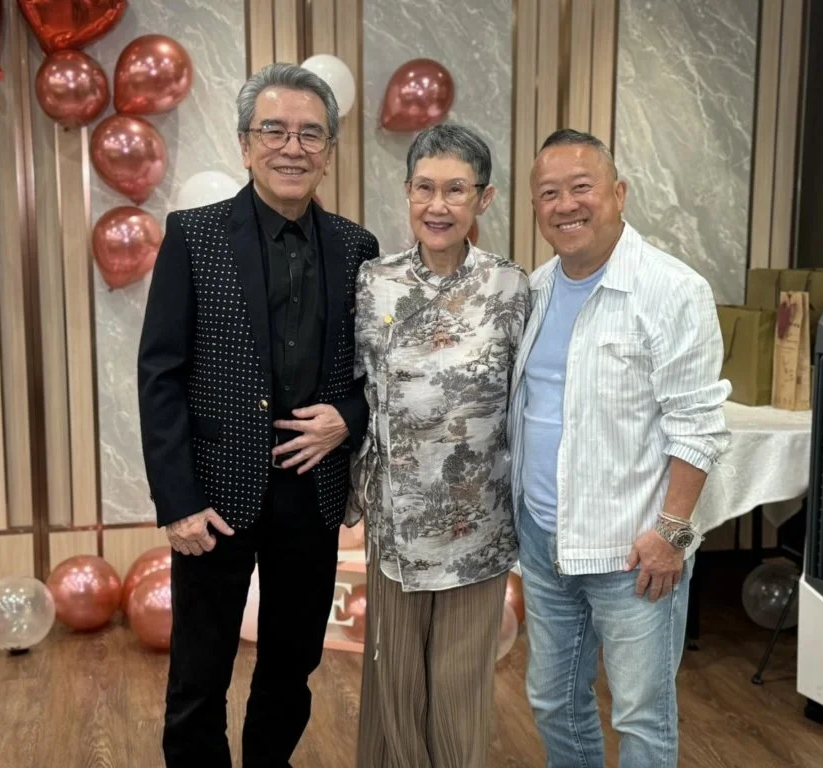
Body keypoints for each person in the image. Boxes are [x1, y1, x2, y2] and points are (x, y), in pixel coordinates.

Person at [137, 62, 378, 768]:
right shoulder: (194, 235)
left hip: (312, 493)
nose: (291, 147)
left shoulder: (357, 249)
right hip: (212, 500)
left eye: (310, 134)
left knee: (291, 668)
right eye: (274, 130)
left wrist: (349, 416)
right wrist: (177, 501)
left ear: (330, 151)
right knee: (198, 676)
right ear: (245, 144)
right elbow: (160, 374)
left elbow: (377, 376)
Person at [508, 129, 731, 767]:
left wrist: (671, 533)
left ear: (619, 193)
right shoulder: (536, 289)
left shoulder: (671, 289)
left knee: (641, 716)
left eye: (581, 187)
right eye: (549, 193)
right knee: (553, 700)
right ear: (535, 206)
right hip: (545, 542)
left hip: (633, 553)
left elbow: (698, 424)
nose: (566, 205)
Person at [347, 123, 530, 768]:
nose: (438, 205)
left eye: (456, 190)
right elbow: (353, 388)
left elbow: (529, 400)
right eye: (424, 188)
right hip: (396, 519)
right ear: (407, 192)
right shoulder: (374, 281)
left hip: (477, 521)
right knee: (394, 682)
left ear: (484, 198)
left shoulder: (511, 287)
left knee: (458, 688)